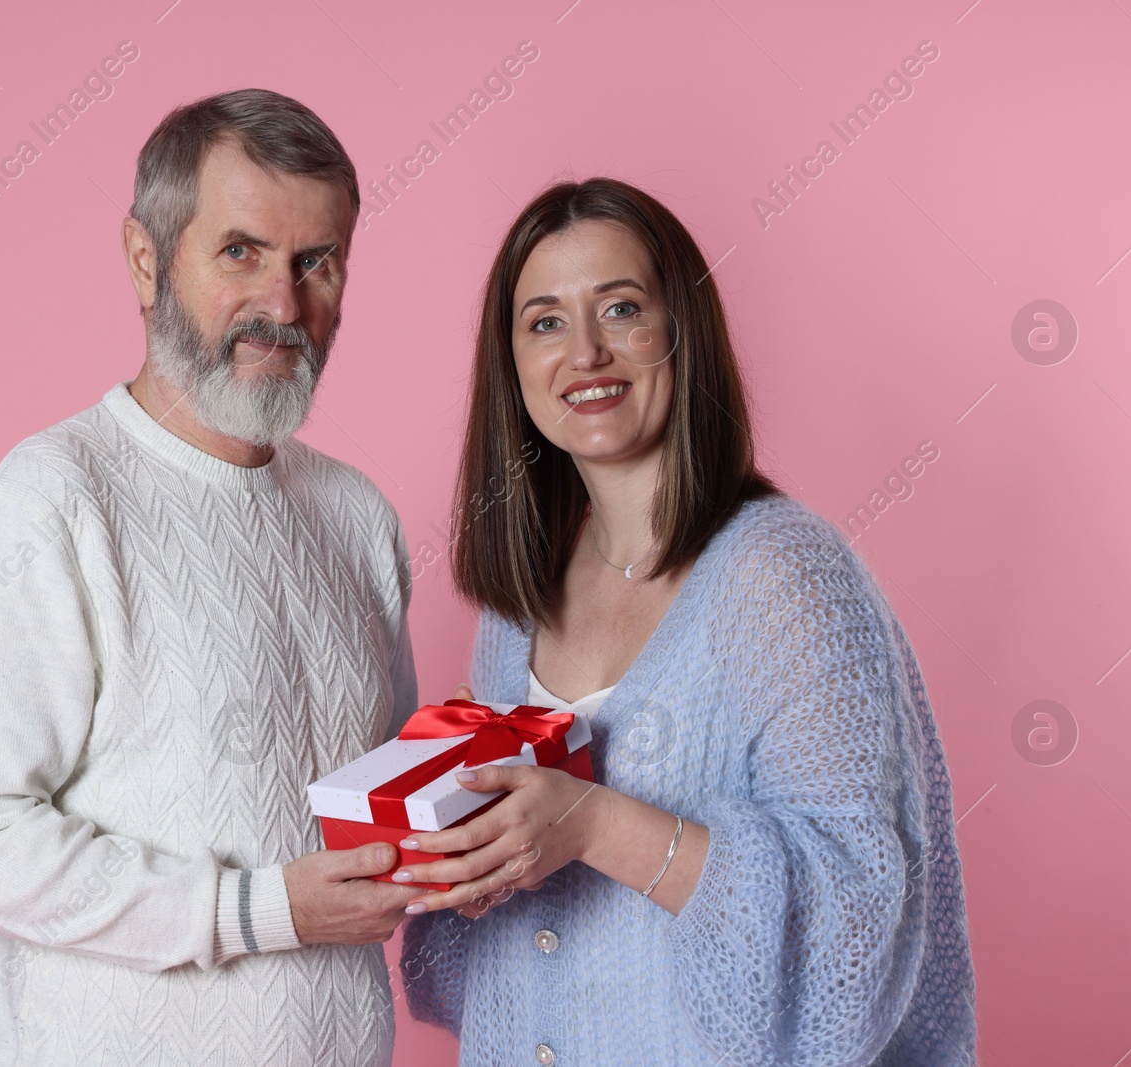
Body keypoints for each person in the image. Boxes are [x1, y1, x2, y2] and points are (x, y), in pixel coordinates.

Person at [0, 89, 426, 1067]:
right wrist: (252, 908)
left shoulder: (358, 516)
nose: (284, 303)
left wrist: (482, 833)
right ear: (146, 260)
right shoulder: (57, 496)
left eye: (317, 261)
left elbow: (381, 810)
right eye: (241, 252)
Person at [396, 178, 977, 1065]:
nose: (584, 352)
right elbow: (487, 935)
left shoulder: (784, 578)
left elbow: (860, 914)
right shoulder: (518, 600)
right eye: (544, 322)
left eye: (620, 308)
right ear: (511, 364)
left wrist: (592, 824)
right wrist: (463, 839)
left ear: (680, 332)